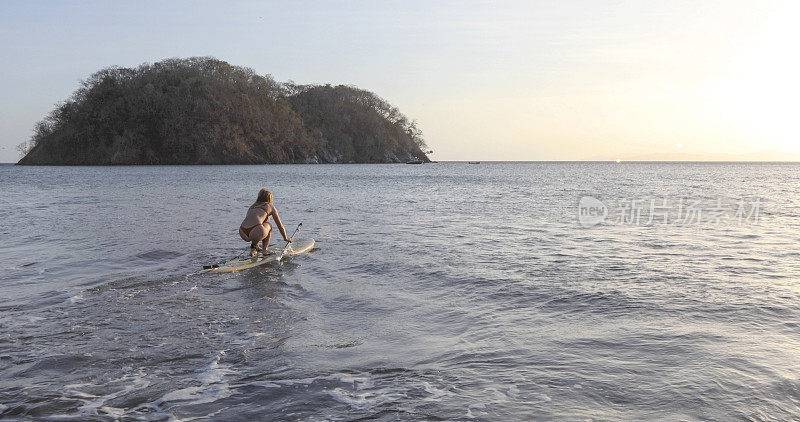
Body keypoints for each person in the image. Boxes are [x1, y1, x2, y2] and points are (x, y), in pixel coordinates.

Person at [239, 188, 292, 256]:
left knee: (259, 226)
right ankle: (265, 250)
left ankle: (255, 248)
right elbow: (280, 225)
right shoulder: (270, 206)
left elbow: (251, 221)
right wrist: (286, 238)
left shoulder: (253, 206)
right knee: (268, 225)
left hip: (242, 231)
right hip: (255, 231)